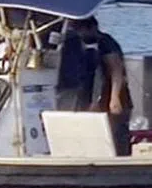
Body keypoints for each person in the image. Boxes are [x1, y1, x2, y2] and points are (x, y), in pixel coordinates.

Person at [57, 17, 133, 156]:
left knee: (115, 133)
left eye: (81, 31)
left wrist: (114, 97)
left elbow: (116, 70)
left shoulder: (105, 42)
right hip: (93, 95)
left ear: (91, 28)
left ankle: (120, 158)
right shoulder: (79, 44)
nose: (80, 34)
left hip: (110, 95)